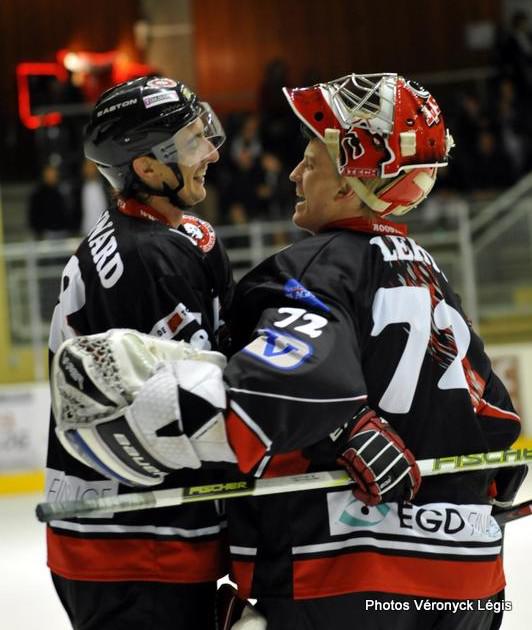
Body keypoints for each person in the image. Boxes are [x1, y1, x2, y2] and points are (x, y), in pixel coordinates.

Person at [51, 73, 524, 629]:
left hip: (342, 574)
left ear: (351, 184)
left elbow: (274, 388)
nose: (296, 172)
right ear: (148, 167)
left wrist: (336, 419)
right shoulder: (428, 269)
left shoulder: (306, 270)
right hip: (471, 578)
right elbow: (496, 428)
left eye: (312, 162)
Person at [45, 75, 234, 630]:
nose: (212, 152)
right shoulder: (150, 260)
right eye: (194, 142)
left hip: (124, 537)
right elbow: (198, 419)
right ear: (148, 170)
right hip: (136, 545)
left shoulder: (175, 237)